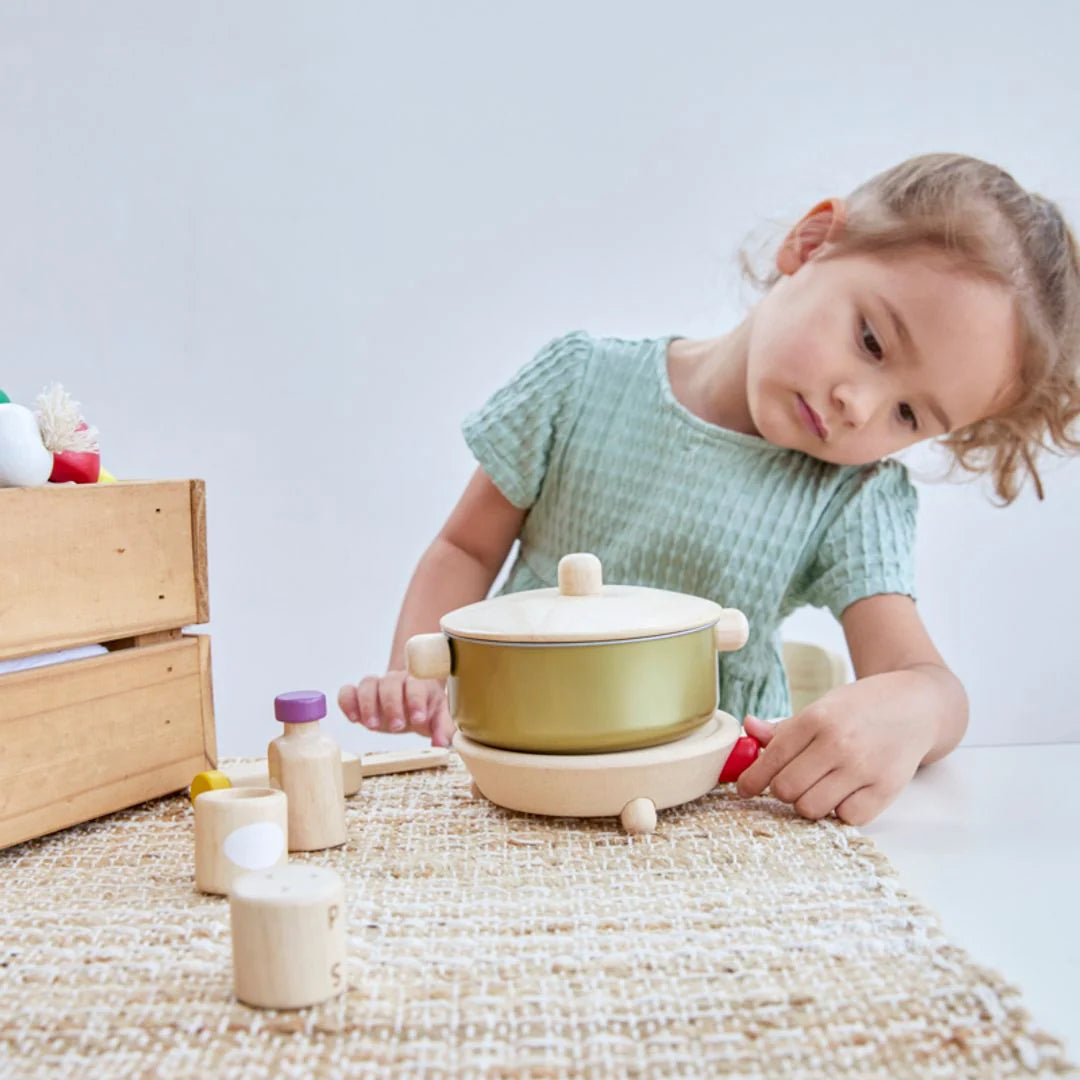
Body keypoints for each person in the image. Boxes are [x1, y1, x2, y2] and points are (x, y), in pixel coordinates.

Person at [338, 153, 1080, 825]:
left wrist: (917, 709)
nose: (862, 406)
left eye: (910, 414)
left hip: (709, 815)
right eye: (873, 342)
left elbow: (925, 682)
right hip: (517, 781)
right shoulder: (578, 383)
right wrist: (417, 672)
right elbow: (463, 548)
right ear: (812, 242)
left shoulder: (850, 495)